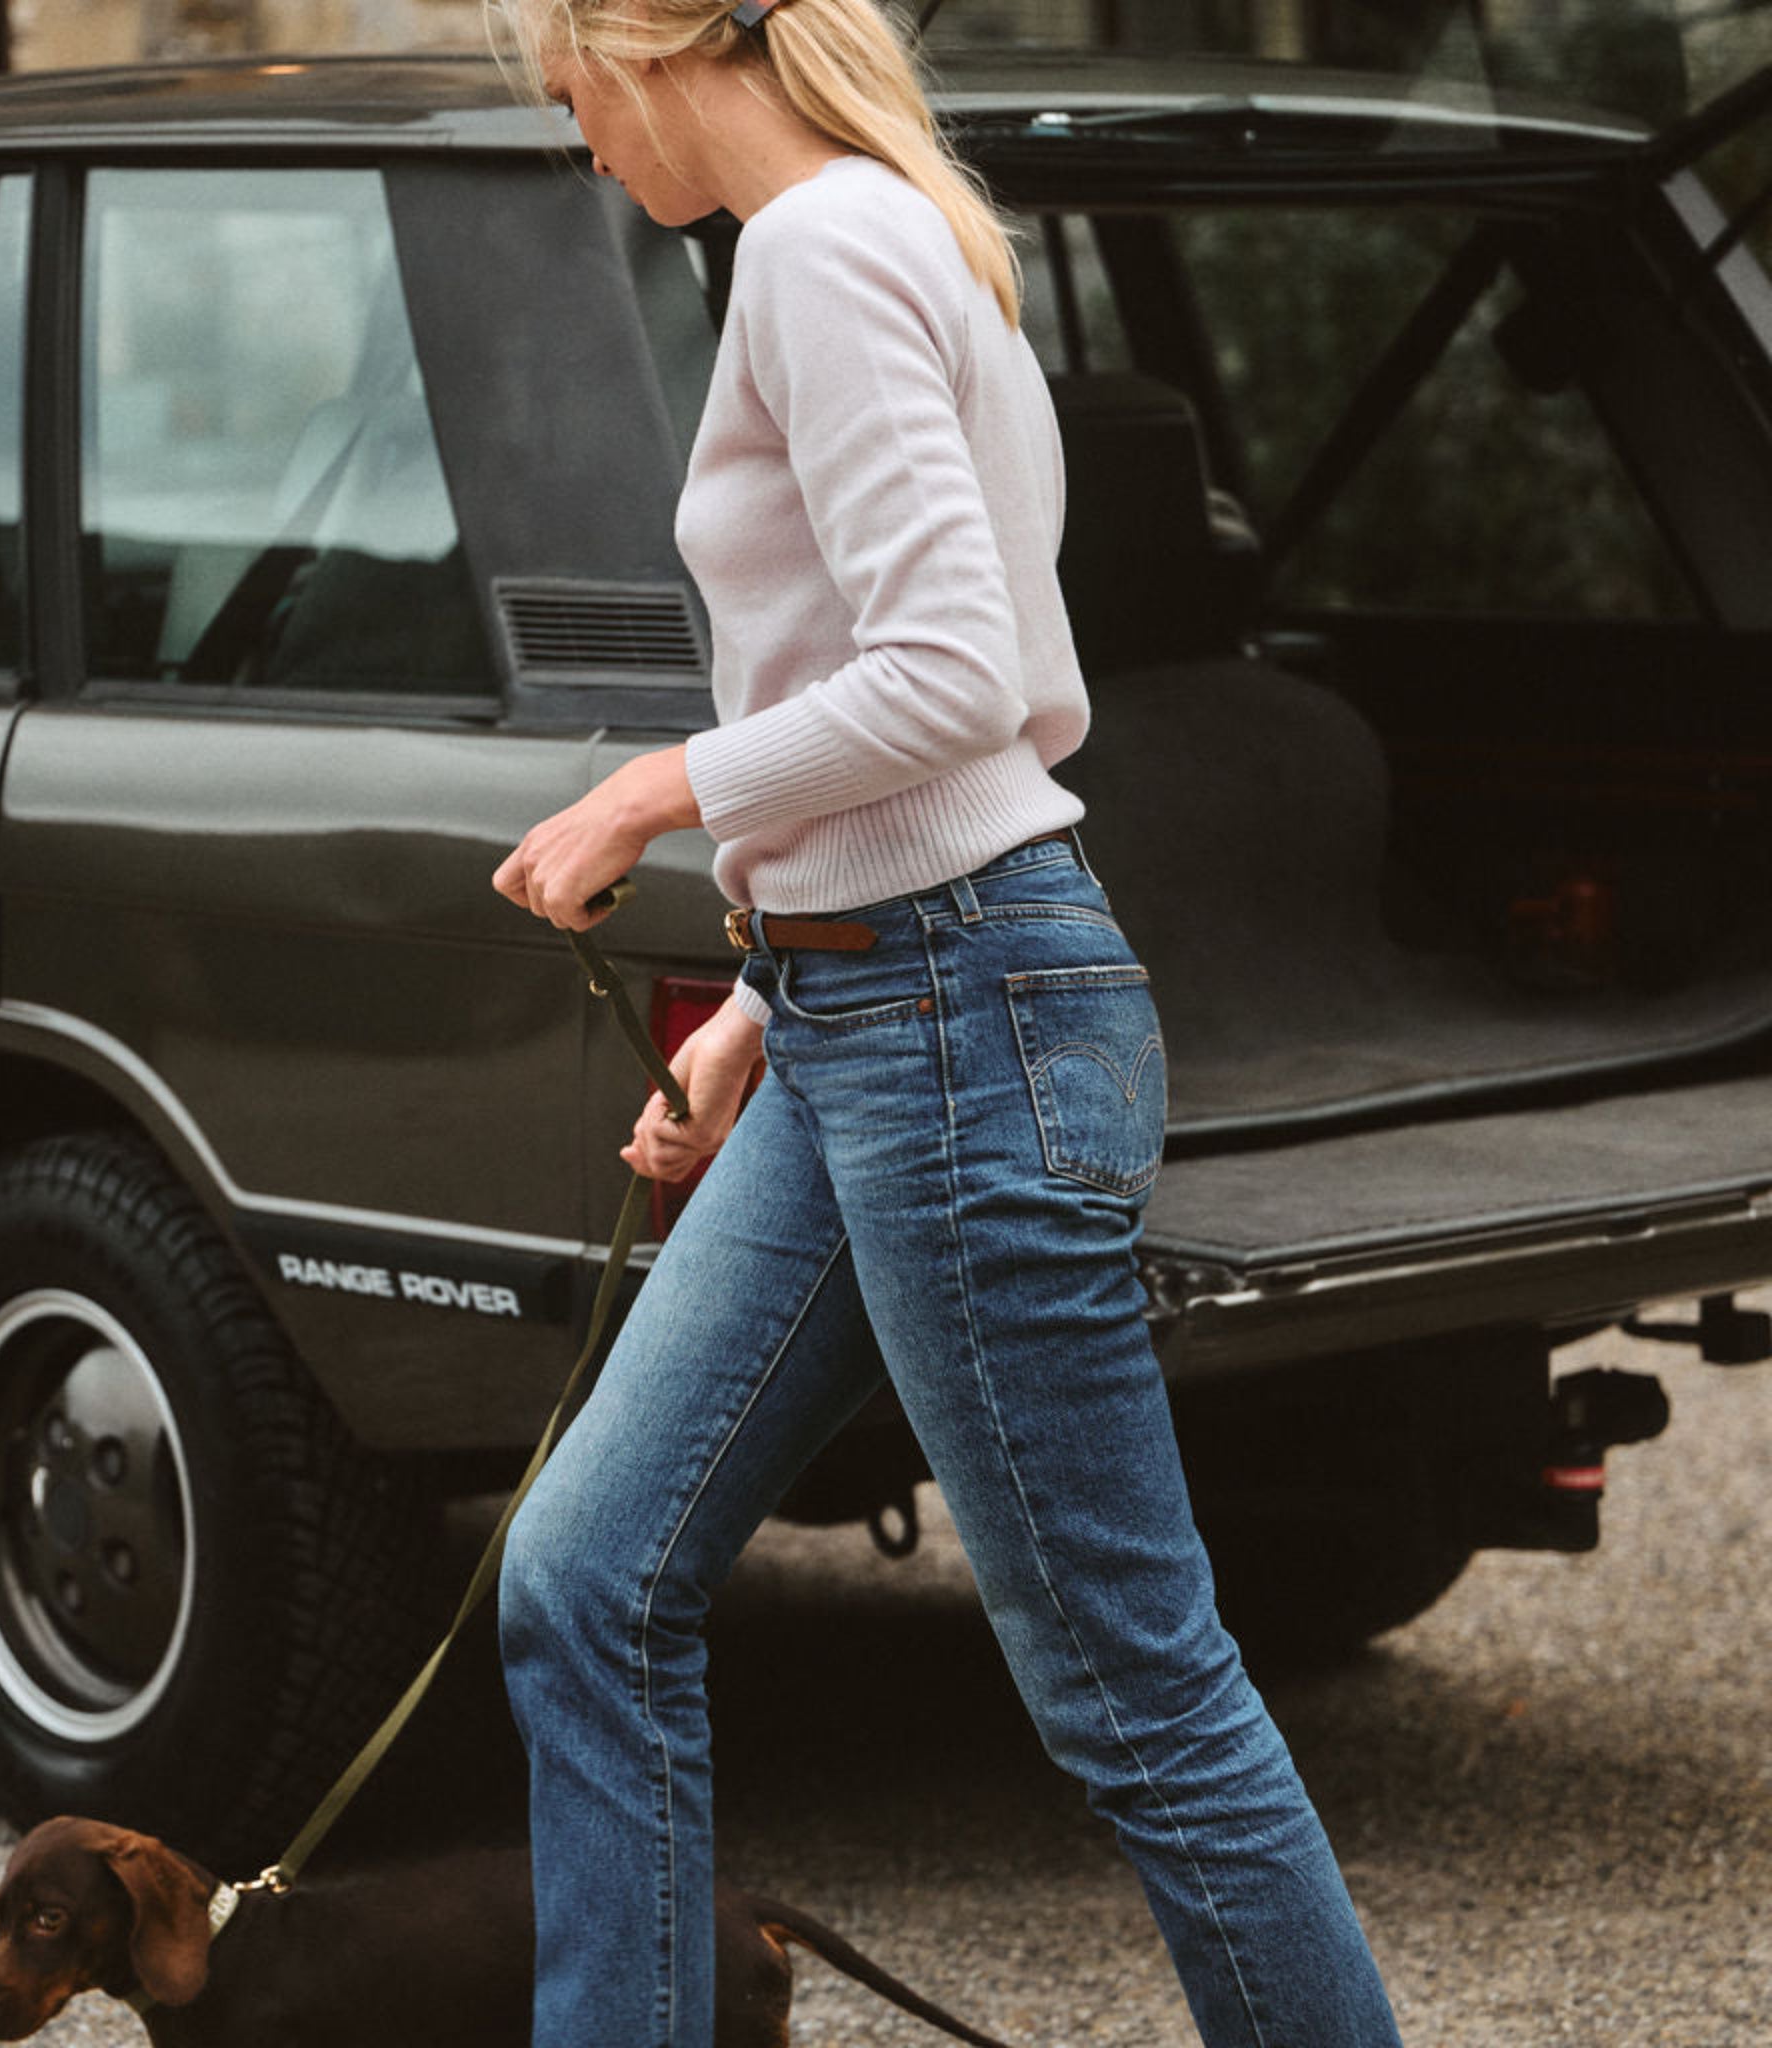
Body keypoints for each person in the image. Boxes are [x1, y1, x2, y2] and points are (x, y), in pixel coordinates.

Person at [489, 1, 1406, 2042]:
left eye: (567, 97)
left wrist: (651, 793)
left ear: (647, 38)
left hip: (957, 1019)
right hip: (875, 1007)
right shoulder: (875, 234)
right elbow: (918, 704)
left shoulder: (825, 247)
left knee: (1134, 1692)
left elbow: (952, 677)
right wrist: (762, 991)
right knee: (584, 1578)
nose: (580, 148)